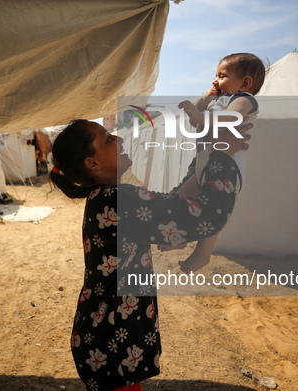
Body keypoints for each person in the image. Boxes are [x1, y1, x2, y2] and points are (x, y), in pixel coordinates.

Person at [49, 119, 251, 391]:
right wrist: (222, 158)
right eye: (107, 138)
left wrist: (203, 158)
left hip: (104, 335)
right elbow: (205, 215)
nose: (118, 139)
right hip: (113, 343)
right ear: (92, 163)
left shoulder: (107, 197)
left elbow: (170, 204)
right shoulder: (120, 200)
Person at [163, 53, 266, 274]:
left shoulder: (244, 99)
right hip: (204, 164)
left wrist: (200, 116)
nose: (215, 80)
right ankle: (178, 237)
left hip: (226, 166)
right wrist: (205, 99)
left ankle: (202, 255)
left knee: (213, 209)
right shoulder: (219, 100)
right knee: (178, 200)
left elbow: (231, 118)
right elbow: (194, 119)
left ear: (245, 82)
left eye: (222, 75)